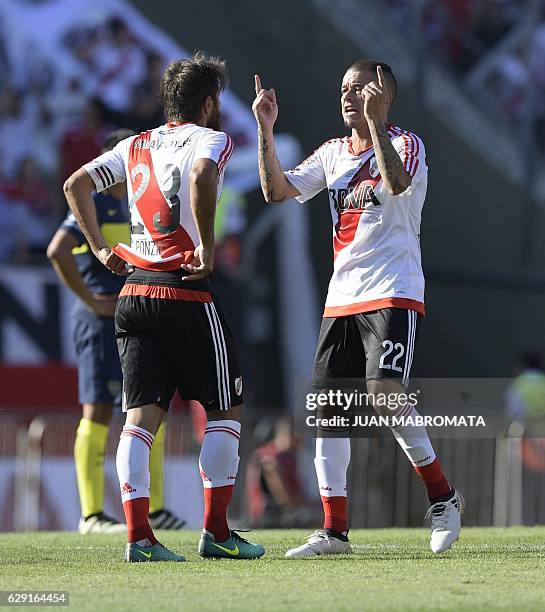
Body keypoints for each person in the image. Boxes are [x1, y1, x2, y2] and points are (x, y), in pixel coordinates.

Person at [252, 58, 464, 557]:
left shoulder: (408, 144)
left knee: (383, 389)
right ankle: (335, 531)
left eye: (359, 88)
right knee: (329, 415)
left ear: (384, 94)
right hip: (341, 298)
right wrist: (265, 129)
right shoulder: (331, 154)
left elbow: (394, 184)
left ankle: (443, 497)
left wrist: (375, 123)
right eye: (343, 88)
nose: (347, 95)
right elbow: (275, 190)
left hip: (394, 288)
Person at [62, 52, 264, 562]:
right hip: (184, 289)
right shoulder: (211, 138)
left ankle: (139, 538)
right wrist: (209, 248)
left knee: (139, 419)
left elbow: (75, 185)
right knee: (225, 408)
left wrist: (103, 249)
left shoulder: (133, 145)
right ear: (211, 102)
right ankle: (217, 532)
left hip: (133, 293)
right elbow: (200, 176)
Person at [48, 129, 185, 534]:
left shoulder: (140, 207)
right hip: (99, 322)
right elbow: (57, 250)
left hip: (135, 318)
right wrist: (91, 301)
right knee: (99, 411)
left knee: (149, 406)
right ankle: (91, 515)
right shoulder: (95, 205)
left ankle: (155, 508)